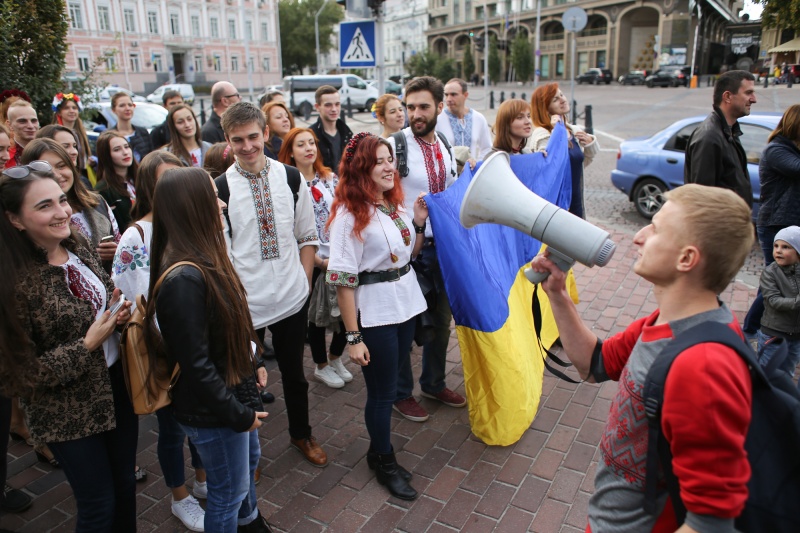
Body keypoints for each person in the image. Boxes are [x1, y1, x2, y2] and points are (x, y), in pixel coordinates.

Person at [529, 184, 754, 532]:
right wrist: (557, 293)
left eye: (656, 229)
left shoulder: (705, 366)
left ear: (686, 259)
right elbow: (595, 363)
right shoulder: (664, 321)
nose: (639, 236)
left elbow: (711, 523)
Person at [0, 161, 138, 532]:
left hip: (117, 386)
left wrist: (115, 311)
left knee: (125, 486)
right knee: (99, 505)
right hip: (67, 411)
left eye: (61, 200)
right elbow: (16, 376)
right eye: (44, 205)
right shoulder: (13, 282)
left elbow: (99, 300)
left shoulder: (77, 245)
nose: (62, 211)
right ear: (14, 219)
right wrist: (87, 344)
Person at [143, 167, 273, 533]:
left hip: (233, 393)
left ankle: (251, 524)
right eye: (212, 197)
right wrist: (237, 415)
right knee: (227, 494)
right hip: (213, 411)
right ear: (192, 206)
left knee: (245, 473)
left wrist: (255, 360)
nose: (222, 203)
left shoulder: (205, 257)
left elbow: (230, 323)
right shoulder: (183, 279)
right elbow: (196, 365)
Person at [219, 102, 328, 467]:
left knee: (295, 376)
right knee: (244, 382)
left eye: (253, 136)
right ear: (227, 140)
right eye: (238, 140)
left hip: (291, 298)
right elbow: (223, 255)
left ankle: (301, 433)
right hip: (245, 306)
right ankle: (249, 456)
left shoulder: (291, 177)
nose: (247, 146)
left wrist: (305, 283)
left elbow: (307, 235)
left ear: (266, 133)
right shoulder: (221, 189)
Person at [326, 133, 428, 500]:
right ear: (361, 169)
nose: (389, 167)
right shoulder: (348, 216)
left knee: (392, 382)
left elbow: (408, 256)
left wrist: (418, 223)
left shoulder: (392, 203)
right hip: (375, 312)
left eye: (390, 159)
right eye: (379, 161)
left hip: (405, 304)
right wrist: (353, 338)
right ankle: (384, 461)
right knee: (383, 394)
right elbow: (343, 281)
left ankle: (376, 452)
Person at [111, 153, 207, 531]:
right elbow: (134, 299)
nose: (174, 188)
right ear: (149, 186)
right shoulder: (136, 236)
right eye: (165, 180)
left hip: (197, 343)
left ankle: (202, 478)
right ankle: (180, 496)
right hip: (165, 350)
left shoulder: (190, 224)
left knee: (201, 418)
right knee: (172, 428)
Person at [387, 76, 466, 422]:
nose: (416, 114)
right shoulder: (393, 146)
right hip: (407, 251)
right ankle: (400, 393)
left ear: (439, 107)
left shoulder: (445, 143)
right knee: (405, 326)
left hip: (443, 249)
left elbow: (449, 191)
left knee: (441, 322)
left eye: (423, 107)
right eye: (410, 107)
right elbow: (374, 194)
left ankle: (434, 383)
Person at [278, 127, 351, 389]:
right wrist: (318, 261)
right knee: (317, 316)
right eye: (301, 144)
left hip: (339, 256)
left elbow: (345, 212)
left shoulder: (329, 178)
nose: (309, 148)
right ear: (290, 152)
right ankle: (321, 365)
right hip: (313, 260)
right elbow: (289, 229)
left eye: (311, 143)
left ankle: (335, 357)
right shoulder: (287, 185)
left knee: (347, 310)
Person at [743, 104, 800, 338]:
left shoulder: (791, 150)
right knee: (775, 277)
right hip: (776, 224)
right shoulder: (777, 150)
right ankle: (750, 328)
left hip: (789, 224)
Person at [20, 139, 120, 273]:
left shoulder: (96, 201)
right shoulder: (34, 218)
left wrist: (116, 251)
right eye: (46, 169)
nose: (56, 175)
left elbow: (119, 241)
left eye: (61, 166)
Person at [684, 70, 757, 206]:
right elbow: (702, 200)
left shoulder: (729, 131)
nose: (754, 99)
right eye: (748, 93)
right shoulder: (709, 138)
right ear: (727, 97)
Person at [530, 84, 599, 218]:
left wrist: (590, 145)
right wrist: (557, 133)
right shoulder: (542, 134)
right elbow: (549, 167)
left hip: (576, 202)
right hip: (555, 205)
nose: (562, 100)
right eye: (555, 100)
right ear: (545, 108)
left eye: (561, 95)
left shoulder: (572, 130)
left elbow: (579, 165)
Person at [757, 226, 800, 380]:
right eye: (776, 246)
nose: (778, 251)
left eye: (786, 247)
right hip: (774, 334)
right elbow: (774, 301)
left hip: (796, 337)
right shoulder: (770, 273)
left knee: (787, 375)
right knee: (766, 375)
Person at [435, 78, 493, 161]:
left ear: (465, 95)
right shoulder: (437, 119)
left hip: (472, 169)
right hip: (447, 168)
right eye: (446, 95)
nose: (449, 99)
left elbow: (487, 148)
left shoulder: (478, 118)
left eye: (453, 94)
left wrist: (477, 164)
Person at [94, 130, 139, 232]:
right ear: (106, 155)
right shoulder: (103, 190)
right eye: (117, 149)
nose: (125, 152)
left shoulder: (141, 178)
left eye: (126, 147)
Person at [310, 85, 353, 172]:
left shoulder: (346, 132)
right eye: (328, 105)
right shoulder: (311, 135)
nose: (334, 109)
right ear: (317, 107)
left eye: (337, 104)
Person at [109, 92, 154, 164]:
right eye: (122, 105)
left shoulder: (143, 132)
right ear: (113, 110)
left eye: (130, 105)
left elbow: (151, 158)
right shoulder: (109, 136)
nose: (127, 108)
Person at [165, 104, 212, 168]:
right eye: (180, 122)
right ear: (173, 126)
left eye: (189, 119)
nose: (187, 125)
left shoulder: (210, 148)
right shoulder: (169, 156)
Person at [5, 100, 39, 168]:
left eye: (33, 121)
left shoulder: (48, 150)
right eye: (22, 121)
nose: (30, 126)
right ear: (9, 125)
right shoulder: (5, 156)